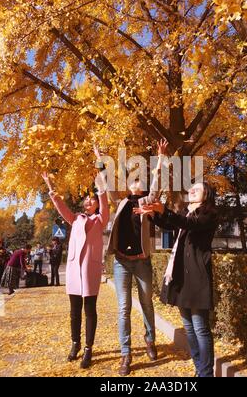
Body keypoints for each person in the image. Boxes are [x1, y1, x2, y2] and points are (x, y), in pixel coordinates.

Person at [135, 181, 218, 378]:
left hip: (197, 277)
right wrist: (153, 214)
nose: (192, 190)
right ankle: (199, 369)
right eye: (192, 188)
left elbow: (190, 225)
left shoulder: (209, 214)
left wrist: (165, 210)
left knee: (200, 328)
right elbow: (169, 224)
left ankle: (206, 373)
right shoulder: (186, 211)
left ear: (207, 194)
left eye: (197, 189)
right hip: (180, 275)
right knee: (189, 327)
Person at [102, 140, 168, 376]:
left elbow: (157, 186)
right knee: (124, 307)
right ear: (129, 186)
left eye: (140, 181)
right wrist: (102, 161)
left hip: (141, 261)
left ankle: (150, 340)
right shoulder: (120, 203)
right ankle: (126, 353)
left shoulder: (146, 202)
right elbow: (108, 186)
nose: (136, 184)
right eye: (133, 181)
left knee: (147, 302)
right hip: (121, 261)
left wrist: (160, 159)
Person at [42, 158, 109, 369]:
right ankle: (75, 344)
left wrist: (99, 177)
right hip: (73, 270)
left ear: (97, 204)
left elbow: (104, 198)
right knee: (74, 311)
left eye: (93, 200)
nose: (90, 203)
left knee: (90, 310)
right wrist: (50, 186)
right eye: (87, 201)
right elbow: (60, 205)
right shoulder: (75, 218)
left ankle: (88, 348)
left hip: (90, 269)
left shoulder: (101, 219)